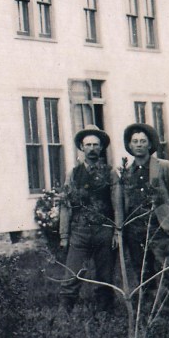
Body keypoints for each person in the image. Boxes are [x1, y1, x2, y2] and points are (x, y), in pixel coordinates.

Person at [121, 123, 169, 319]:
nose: (139, 145)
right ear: (129, 145)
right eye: (135, 141)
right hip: (135, 232)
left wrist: (168, 223)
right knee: (143, 273)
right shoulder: (127, 173)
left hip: (158, 229)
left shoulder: (164, 167)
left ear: (150, 144)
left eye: (143, 141)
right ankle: (151, 314)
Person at [58, 126, 123, 312]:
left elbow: (117, 204)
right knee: (72, 273)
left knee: (105, 275)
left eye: (96, 145)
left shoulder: (110, 173)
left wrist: (117, 231)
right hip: (80, 230)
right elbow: (65, 204)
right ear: (81, 147)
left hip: (104, 230)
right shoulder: (73, 173)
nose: (92, 148)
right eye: (88, 145)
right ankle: (64, 313)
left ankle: (105, 315)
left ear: (101, 148)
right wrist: (64, 235)